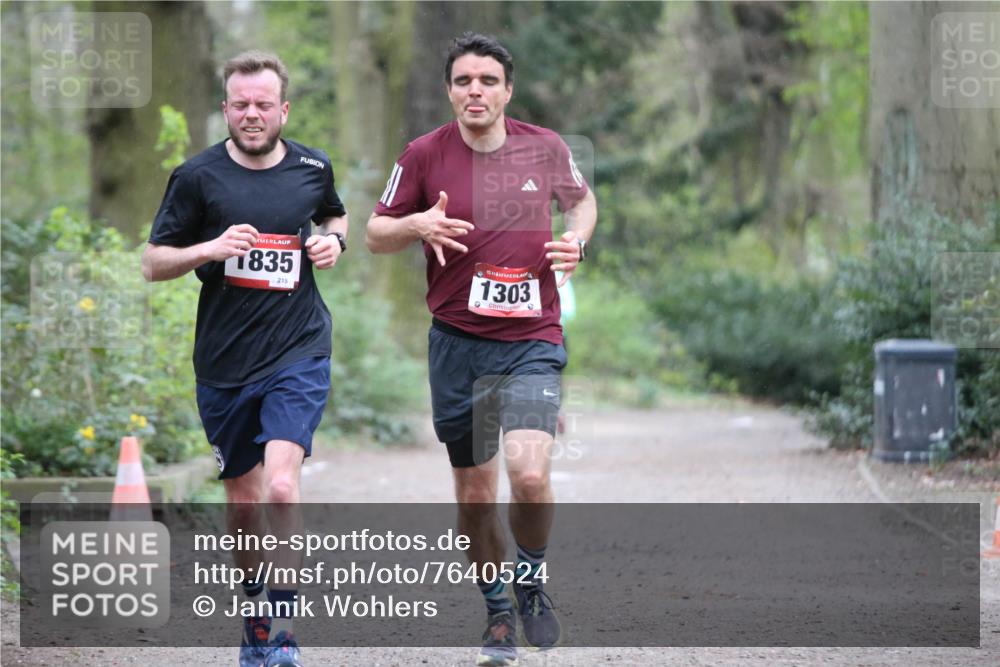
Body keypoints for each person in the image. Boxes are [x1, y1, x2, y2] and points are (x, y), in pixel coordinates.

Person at [366, 33, 597, 667]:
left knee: (528, 474)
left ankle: (531, 577)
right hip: (457, 346)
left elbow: (583, 203)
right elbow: (374, 233)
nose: (476, 90)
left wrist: (576, 241)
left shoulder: (545, 147)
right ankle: (497, 610)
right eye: (464, 80)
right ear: (450, 90)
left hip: (531, 340)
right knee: (473, 495)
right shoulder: (421, 156)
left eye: (488, 81)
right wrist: (415, 225)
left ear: (507, 90)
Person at [142, 51, 348, 667]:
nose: (252, 114)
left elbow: (333, 212)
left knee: (282, 486)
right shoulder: (196, 177)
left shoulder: (313, 166)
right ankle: (255, 611)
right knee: (244, 502)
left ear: (283, 109)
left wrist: (332, 240)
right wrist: (210, 246)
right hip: (226, 362)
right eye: (241, 104)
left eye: (263, 104)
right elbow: (153, 263)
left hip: (299, 347)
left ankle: (282, 635)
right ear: (226, 108)